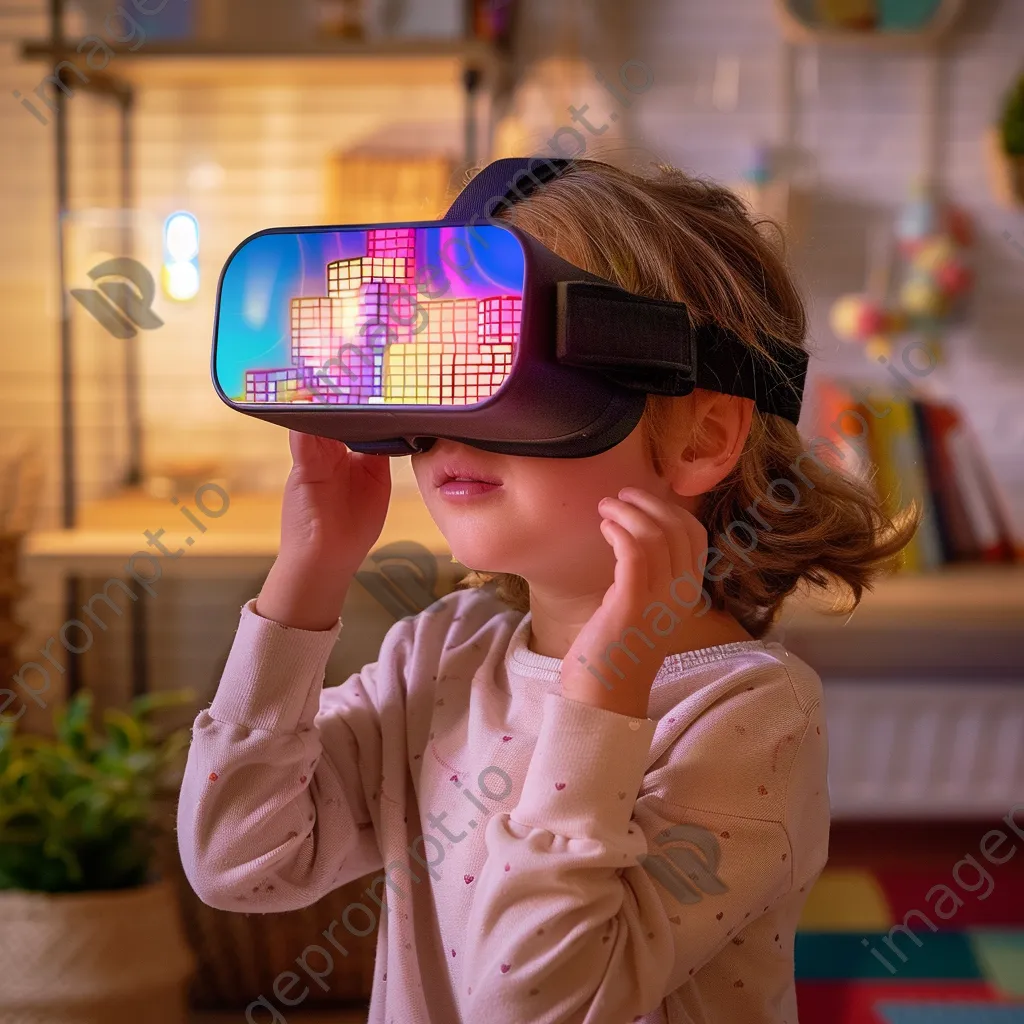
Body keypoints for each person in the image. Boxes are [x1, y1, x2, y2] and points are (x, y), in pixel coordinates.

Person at [177, 159, 916, 1024]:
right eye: (435, 361)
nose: (454, 422)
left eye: (506, 370)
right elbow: (240, 858)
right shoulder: (443, 653)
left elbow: (534, 1002)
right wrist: (308, 575)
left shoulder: (749, 714)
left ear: (702, 436)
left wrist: (605, 689)